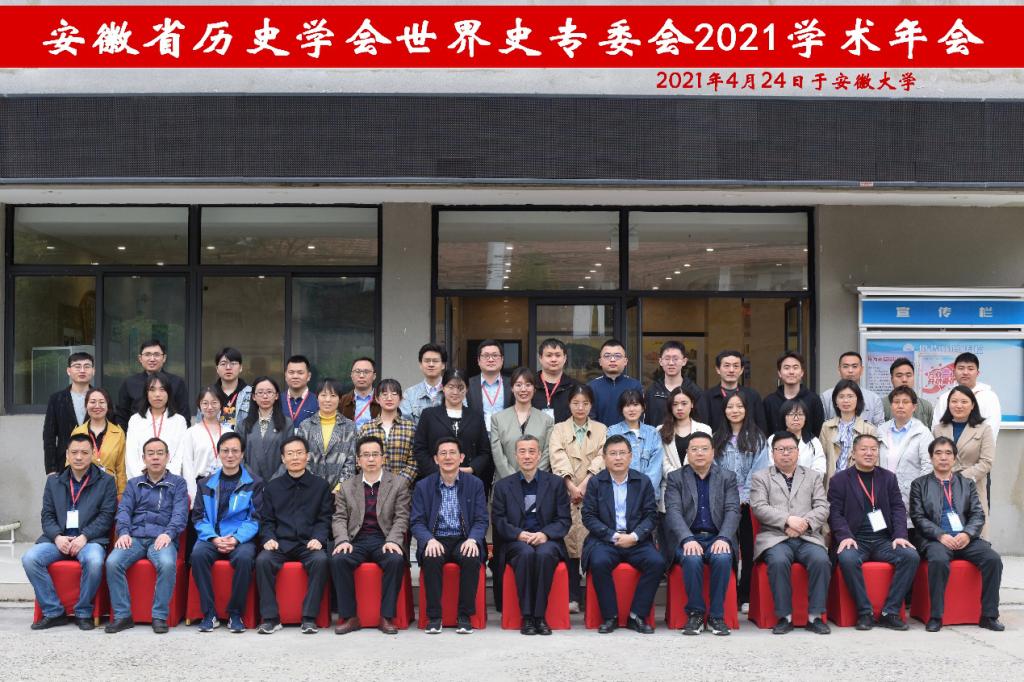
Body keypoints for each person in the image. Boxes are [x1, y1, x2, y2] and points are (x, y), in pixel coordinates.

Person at [909, 437, 1004, 632]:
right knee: (938, 560)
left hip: (965, 539)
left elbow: (978, 514)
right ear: (931, 458)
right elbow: (918, 517)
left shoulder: (966, 483)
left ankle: (989, 615)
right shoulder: (919, 484)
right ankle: (936, 616)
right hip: (935, 539)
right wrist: (940, 535)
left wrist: (967, 534)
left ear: (954, 458)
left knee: (993, 560)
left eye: (948, 453)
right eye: (938, 453)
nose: (943, 458)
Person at [23, 433, 117, 630]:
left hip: (89, 540)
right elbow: (47, 515)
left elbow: (106, 516)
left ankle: (83, 612)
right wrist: (57, 537)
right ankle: (53, 611)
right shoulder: (54, 481)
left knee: (94, 561)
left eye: (84, 452)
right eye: (74, 452)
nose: (79, 457)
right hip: (58, 540)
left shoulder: (106, 481)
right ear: (67, 454)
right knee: (30, 558)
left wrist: (85, 536)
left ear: (93, 454)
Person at [828, 434, 919, 630]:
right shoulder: (840, 480)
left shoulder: (888, 478)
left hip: (883, 540)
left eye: (873, 449)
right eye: (863, 449)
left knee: (910, 556)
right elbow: (835, 513)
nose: (869, 453)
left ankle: (890, 612)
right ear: (853, 453)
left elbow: (898, 508)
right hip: (855, 539)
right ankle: (865, 612)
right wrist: (845, 536)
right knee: (848, 559)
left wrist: (900, 535)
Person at [749, 431, 831, 635]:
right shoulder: (761, 477)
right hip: (775, 537)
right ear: (773, 453)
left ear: (798, 452)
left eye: (790, 449)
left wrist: (804, 523)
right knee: (778, 561)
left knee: (821, 560)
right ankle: (784, 617)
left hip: (807, 535)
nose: (786, 453)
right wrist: (787, 520)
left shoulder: (812, 476)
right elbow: (759, 507)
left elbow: (822, 507)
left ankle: (815, 617)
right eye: (780, 449)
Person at [105, 437, 189, 634]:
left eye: (160, 453)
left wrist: (169, 533)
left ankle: (159, 616)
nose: (155, 458)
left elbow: (180, 513)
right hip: (135, 537)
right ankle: (122, 615)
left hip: (162, 538)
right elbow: (124, 510)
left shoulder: (178, 483)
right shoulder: (134, 484)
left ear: (167, 457)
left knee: (167, 563)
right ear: (144, 458)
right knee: (112, 562)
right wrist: (123, 532)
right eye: (150, 454)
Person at [582, 435, 664, 634]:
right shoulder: (596, 483)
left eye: (622, 453)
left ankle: (637, 616)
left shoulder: (642, 481)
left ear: (630, 456)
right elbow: (588, 516)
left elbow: (651, 515)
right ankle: (610, 617)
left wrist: (634, 536)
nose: (618, 458)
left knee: (656, 562)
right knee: (599, 562)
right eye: (612, 453)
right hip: (605, 540)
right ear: (604, 458)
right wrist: (612, 536)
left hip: (636, 540)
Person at [331, 436, 411, 636]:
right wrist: (342, 540)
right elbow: (339, 518)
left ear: (383, 458)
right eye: (366, 455)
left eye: (375, 454)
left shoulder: (399, 484)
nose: (371, 459)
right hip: (356, 540)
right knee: (339, 560)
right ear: (358, 460)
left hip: (384, 539)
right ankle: (350, 617)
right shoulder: (347, 486)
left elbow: (402, 517)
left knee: (395, 560)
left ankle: (386, 617)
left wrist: (393, 540)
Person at [491, 435, 571, 636]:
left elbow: (564, 520)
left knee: (544, 554)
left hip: (547, 540)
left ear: (539, 455)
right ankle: (527, 617)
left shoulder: (555, 483)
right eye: (522, 451)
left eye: (532, 451)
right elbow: (499, 521)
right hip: (517, 542)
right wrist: (518, 534)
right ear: (515, 455)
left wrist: (545, 534)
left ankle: (539, 616)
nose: (527, 456)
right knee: (525, 554)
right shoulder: (503, 486)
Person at [663, 432, 740, 636]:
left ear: (713, 452)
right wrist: (687, 538)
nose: (699, 453)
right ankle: (695, 614)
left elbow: (733, 510)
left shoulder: (727, 477)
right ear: (687, 453)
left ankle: (716, 616)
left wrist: (724, 537)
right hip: (688, 537)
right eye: (694, 449)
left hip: (717, 536)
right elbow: (673, 512)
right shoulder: (676, 478)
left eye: (704, 449)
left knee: (723, 557)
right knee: (692, 558)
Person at [255, 435, 333, 635]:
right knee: (263, 560)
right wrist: (269, 538)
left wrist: (318, 538)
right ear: (283, 458)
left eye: (299, 453)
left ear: (308, 456)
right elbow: (267, 520)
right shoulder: (272, 487)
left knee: (321, 560)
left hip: (308, 543)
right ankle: (271, 619)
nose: (295, 457)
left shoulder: (321, 486)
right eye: (290, 454)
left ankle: (309, 618)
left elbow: (325, 518)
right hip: (280, 543)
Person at [410, 437, 488, 635]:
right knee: (431, 557)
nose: (448, 457)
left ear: (461, 457)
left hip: (464, 538)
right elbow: (416, 521)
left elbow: (481, 519)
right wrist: (428, 540)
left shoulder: (475, 484)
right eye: (443, 453)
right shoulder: (423, 486)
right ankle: (434, 617)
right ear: (436, 459)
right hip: (436, 538)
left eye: (452, 453)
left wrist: (473, 539)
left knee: (471, 557)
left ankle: (465, 616)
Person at [190, 432, 262, 634]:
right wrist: (213, 538)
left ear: (242, 454)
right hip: (212, 536)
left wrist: (237, 538)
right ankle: (209, 614)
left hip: (240, 538)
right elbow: (198, 517)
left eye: (235, 451)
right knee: (197, 555)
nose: (230, 455)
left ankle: (235, 614)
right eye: (225, 451)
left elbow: (255, 518)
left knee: (245, 558)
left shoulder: (254, 483)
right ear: (218, 453)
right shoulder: (205, 483)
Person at [548, 384, 607, 613]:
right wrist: (571, 486)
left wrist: (584, 485)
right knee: (569, 544)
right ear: (569, 404)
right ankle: (572, 596)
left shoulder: (601, 429)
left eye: (585, 403)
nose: (580, 407)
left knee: (591, 542)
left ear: (591, 405)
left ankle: (591, 595)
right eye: (576, 403)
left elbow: (602, 457)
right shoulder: (559, 429)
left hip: (593, 492)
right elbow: (557, 457)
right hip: (566, 493)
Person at [712, 391, 768, 610]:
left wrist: (744, 496)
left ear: (746, 410)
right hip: (724, 503)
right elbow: (714, 470)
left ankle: (745, 595)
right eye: (730, 407)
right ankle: (730, 593)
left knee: (748, 548)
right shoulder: (717, 438)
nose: (734, 411)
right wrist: (728, 497)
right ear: (724, 411)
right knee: (727, 546)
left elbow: (759, 470)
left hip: (748, 504)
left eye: (739, 406)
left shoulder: (757, 438)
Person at [413, 369, 492, 490]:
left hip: (468, 481)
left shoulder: (476, 417)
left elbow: (485, 451)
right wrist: (438, 472)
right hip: (434, 481)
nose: (455, 392)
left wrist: (472, 468)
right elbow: (419, 449)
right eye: (451, 387)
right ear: (443, 388)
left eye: (460, 387)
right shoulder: (429, 415)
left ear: (467, 389)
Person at [932, 385, 995, 537]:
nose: (958, 405)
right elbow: (933, 458)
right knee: (946, 531)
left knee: (975, 532)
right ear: (948, 404)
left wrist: (959, 478)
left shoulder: (984, 429)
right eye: (954, 401)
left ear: (973, 405)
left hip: (972, 485)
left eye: (964, 402)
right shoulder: (938, 429)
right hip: (943, 487)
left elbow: (987, 462)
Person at [877, 386, 933, 534]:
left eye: (905, 402)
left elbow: (928, 466)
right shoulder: (881, 430)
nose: (900, 406)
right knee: (884, 534)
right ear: (891, 405)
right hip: (883, 491)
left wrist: (917, 492)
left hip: (911, 494)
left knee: (907, 534)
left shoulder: (922, 432)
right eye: (896, 402)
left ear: (914, 407)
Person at [490, 367, 554, 480]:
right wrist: (514, 481)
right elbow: (498, 455)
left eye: (528, 385)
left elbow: (547, 454)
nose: (523, 389)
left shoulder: (547, 420)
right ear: (512, 388)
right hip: (505, 483)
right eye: (518, 385)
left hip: (537, 483)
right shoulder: (497, 419)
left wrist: (532, 477)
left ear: (534, 389)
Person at [124, 373, 188, 480]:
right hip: (140, 481)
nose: (157, 394)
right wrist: (143, 478)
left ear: (169, 393)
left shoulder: (179, 421)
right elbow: (131, 456)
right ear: (146, 393)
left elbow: (180, 456)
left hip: (171, 481)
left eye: (162, 390)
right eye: (152, 390)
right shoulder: (135, 420)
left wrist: (166, 477)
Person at [297, 378, 358, 492]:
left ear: (340, 399)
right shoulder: (305, 426)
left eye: (333, 395)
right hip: (309, 490)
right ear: (317, 397)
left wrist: (340, 488)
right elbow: (301, 459)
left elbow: (351, 462)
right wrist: (312, 487)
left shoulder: (349, 427)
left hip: (340, 492)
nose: (328, 399)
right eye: (323, 395)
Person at [114, 339, 190, 428]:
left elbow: (184, 415)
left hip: (170, 434)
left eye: (156, 355)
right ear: (140, 358)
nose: (152, 359)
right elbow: (122, 416)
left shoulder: (177, 382)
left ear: (164, 358)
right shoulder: (129, 383)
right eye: (147, 354)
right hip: (138, 434)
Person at [658, 385, 712, 507]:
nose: (679, 408)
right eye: (675, 404)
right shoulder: (660, 430)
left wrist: (689, 478)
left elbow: (706, 459)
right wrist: (678, 479)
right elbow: (662, 462)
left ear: (692, 404)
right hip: (670, 489)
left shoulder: (704, 429)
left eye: (684, 403)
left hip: (698, 488)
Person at [606, 390, 664, 503]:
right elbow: (612, 464)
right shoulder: (613, 431)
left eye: (636, 404)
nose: (632, 409)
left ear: (643, 407)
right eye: (627, 405)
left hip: (647, 497)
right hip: (620, 496)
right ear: (621, 409)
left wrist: (643, 493)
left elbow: (656, 469)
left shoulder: (652, 433)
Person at [43, 351, 94, 476]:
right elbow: (49, 436)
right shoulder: (56, 399)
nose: (82, 370)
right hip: (64, 464)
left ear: (93, 371)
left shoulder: (101, 398)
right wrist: (51, 469)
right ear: (68, 371)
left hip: (96, 462)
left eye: (87, 366)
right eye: (77, 366)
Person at [359, 378, 418, 487]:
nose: (389, 398)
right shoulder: (366, 428)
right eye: (384, 394)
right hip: (372, 488)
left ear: (401, 399)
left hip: (402, 490)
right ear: (377, 399)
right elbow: (359, 460)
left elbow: (414, 463)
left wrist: (397, 485)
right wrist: (375, 481)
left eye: (394, 394)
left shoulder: (411, 428)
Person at [180, 387, 234, 504]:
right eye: (205, 403)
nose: (210, 407)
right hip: (200, 486)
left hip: (226, 485)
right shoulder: (191, 433)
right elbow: (188, 466)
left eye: (214, 402)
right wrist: (193, 495)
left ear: (221, 404)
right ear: (199, 405)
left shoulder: (229, 432)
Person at [932, 352, 1003, 442]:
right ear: (954, 372)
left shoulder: (989, 397)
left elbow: (992, 428)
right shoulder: (944, 397)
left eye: (970, 368)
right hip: (946, 449)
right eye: (961, 368)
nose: (965, 372)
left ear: (977, 373)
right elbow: (936, 427)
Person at [819, 380, 878, 486]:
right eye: (841, 397)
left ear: (858, 400)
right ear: (835, 401)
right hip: (833, 483)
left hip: (859, 485)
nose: (846, 400)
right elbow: (821, 459)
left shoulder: (869, 429)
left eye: (850, 396)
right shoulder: (826, 427)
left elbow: (874, 462)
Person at [70, 387, 127, 495]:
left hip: (109, 491)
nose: (97, 406)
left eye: (101, 402)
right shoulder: (77, 432)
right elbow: (69, 464)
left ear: (107, 406)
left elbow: (121, 469)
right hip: (83, 490)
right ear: (86, 405)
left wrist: (121, 495)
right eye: (92, 402)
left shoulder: (118, 433)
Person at [237, 376, 294, 484]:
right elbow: (239, 457)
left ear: (276, 396)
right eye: (260, 392)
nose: (265, 396)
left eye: (269, 392)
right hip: (250, 484)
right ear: (253, 397)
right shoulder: (243, 425)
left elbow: (290, 456)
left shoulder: (287, 424)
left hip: (279, 483)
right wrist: (254, 481)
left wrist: (274, 482)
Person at [697, 350, 767, 434]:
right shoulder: (706, 397)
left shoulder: (752, 396)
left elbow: (761, 428)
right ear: (718, 369)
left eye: (736, 366)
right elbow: (702, 429)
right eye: (726, 366)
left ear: (741, 370)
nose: (731, 370)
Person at [763, 352, 824, 436]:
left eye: (795, 368)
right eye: (786, 368)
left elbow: (818, 430)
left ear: (802, 372)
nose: (791, 372)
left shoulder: (813, 400)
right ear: (779, 373)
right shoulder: (769, 401)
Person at [644, 340, 701, 428]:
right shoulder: (652, 391)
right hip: (657, 436)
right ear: (660, 361)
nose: (671, 363)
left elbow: (699, 421)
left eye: (675, 359)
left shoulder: (694, 391)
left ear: (684, 361)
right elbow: (647, 422)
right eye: (667, 359)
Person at [587, 339, 643, 428]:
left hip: (629, 436)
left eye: (617, 356)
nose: (612, 359)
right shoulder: (591, 387)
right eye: (607, 356)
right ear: (600, 361)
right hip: (600, 436)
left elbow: (640, 417)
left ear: (625, 361)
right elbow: (589, 418)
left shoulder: (635, 385)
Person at [820, 351, 884, 427]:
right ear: (839, 369)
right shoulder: (826, 397)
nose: (850, 371)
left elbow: (880, 428)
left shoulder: (874, 399)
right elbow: (821, 426)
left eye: (854, 366)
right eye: (845, 366)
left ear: (861, 370)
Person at [764, 400, 824, 475]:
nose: (796, 418)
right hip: (778, 481)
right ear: (784, 417)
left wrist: (803, 480)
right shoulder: (773, 439)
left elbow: (819, 468)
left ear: (805, 418)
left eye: (800, 414)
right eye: (791, 414)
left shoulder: (813, 441)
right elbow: (770, 465)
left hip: (808, 481)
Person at [467, 339, 512, 432]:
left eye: (495, 355)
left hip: (505, 436)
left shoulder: (512, 384)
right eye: (486, 356)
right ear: (478, 360)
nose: (491, 359)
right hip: (476, 435)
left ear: (502, 360)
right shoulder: (468, 385)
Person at [532, 338, 579, 424]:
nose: (553, 359)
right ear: (540, 358)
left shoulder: (575, 387)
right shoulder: (529, 385)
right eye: (549, 355)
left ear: (564, 358)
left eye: (558, 355)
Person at [399, 343, 447, 426]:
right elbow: (406, 425)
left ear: (443, 365)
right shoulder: (410, 394)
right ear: (420, 365)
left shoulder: (455, 392)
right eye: (427, 361)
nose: (431, 364)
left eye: (435, 361)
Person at [207, 347, 251, 428]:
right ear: (217, 369)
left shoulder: (251, 394)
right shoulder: (208, 394)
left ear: (241, 367)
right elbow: (200, 426)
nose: (228, 367)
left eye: (233, 363)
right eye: (223, 364)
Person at [882, 359, 934, 425]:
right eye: (899, 376)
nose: (904, 380)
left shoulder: (926, 406)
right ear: (892, 379)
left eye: (908, 375)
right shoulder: (881, 405)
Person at [339, 357, 380, 429]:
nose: (361, 376)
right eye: (357, 371)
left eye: (366, 372)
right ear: (351, 375)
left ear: (374, 376)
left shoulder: (382, 400)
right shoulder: (342, 401)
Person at [281, 354, 319, 429]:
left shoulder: (318, 401)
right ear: (285, 375)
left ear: (309, 376)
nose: (295, 376)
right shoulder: (276, 401)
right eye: (291, 372)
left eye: (300, 373)